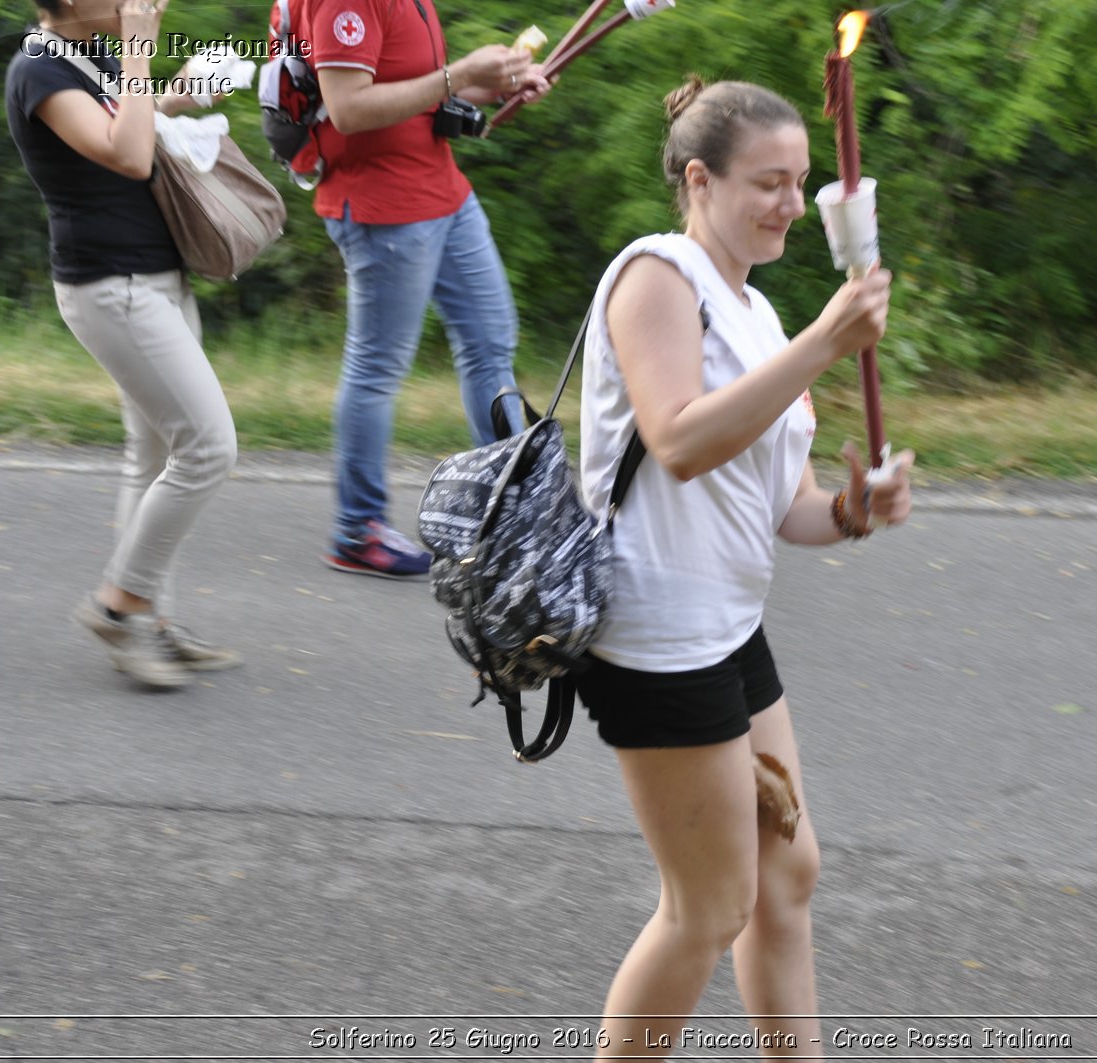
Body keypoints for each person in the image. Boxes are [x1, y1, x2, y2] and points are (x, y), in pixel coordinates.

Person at [575, 77, 915, 1056]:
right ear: (698, 178)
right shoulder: (656, 277)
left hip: (726, 626)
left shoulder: (756, 313)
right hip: (654, 636)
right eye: (768, 182)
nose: (789, 205)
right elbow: (677, 440)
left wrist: (852, 511)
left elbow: (783, 510)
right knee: (708, 906)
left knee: (785, 871)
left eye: (801, 183)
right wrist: (824, 343)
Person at [6, 0, 241, 690]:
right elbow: (130, 156)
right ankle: (118, 605)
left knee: (155, 453)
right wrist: (141, 50)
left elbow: (133, 126)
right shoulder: (37, 71)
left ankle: (153, 623)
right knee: (209, 446)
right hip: (113, 288)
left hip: (157, 275)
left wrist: (180, 90)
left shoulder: (92, 56)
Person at [298, 0, 552, 578]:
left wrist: (492, 88)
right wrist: (460, 73)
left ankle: (505, 519)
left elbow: (416, 93)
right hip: (385, 210)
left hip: (444, 192)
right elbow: (347, 108)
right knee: (377, 368)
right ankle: (356, 532)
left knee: (491, 345)